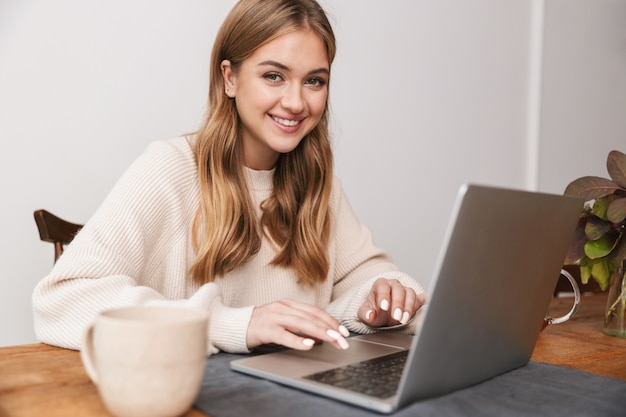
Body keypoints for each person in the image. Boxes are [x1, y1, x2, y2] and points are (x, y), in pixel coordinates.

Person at [32, 0, 426, 354]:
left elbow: (367, 276)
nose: (296, 101)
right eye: (274, 76)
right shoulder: (170, 168)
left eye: (314, 81)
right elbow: (62, 298)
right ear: (230, 78)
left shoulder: (318, 182)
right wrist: (233, 324)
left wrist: (379, 296)